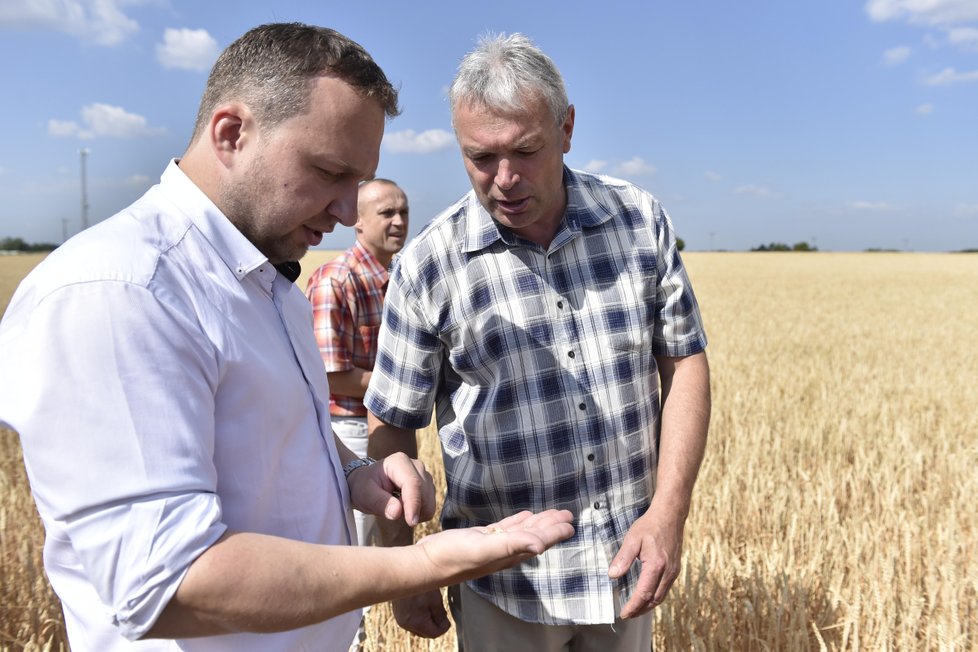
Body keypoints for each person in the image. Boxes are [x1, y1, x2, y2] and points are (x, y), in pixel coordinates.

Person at [0, 23, 574, 652]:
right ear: (231, 133)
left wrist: (354, 473)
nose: (346, 209)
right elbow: (165, 583)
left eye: (360, 181)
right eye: (329, 171)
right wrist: (428, 563)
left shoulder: (262, 278)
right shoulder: (122, 292)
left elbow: (264, 429)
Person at [365, 32, 711, 651]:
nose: (504, 179)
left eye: (526, 150)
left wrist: (668, 511)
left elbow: (684, 360)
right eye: (480, 157)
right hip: (503, 586)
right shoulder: (430, 266)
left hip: (625, 569)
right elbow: (391, 424)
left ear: (568, 127)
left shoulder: (637, 220)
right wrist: (402, 566)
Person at [304, 178, 409, 651]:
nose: (399, 222)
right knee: (356, 558)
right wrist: (402, 383)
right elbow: (328, 376)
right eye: (386, 213)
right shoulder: (337, 279)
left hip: (385, 425)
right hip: (346, 430)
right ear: (358, 221)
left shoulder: (401, 278)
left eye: (403, 211)